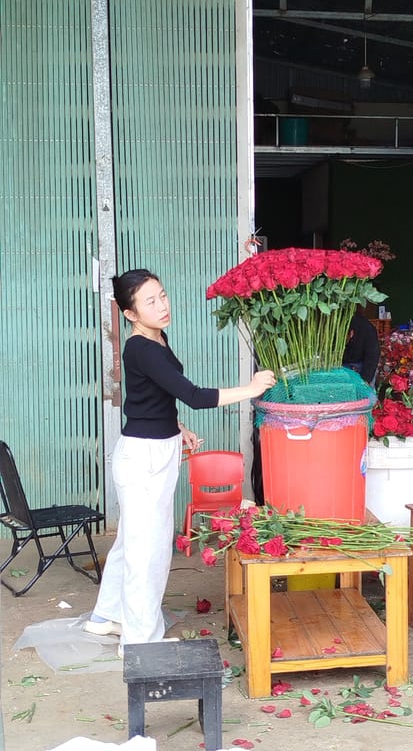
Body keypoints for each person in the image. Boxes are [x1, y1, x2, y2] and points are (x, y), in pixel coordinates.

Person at [84, 269, 275, 650]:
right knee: (148, 547)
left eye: (163, 295)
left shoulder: (158, 338)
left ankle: (106, 617)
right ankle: (139, 641)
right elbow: (193, 394)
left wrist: (177, 426)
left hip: (155, 447)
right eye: (150, 302)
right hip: (143, 458)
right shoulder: (142, 348)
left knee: (131, 541)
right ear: (131, 314)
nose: (162, 305)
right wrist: (251, 389)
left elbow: (153, 396)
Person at [342, 311, 380, 386]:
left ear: (351, 333)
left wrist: (366, 380)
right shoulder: (338, 326)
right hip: (343, 365)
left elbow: (372, 356)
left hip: (363, 364)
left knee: (367, 394)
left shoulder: (367, 329)